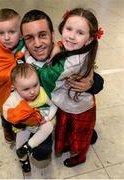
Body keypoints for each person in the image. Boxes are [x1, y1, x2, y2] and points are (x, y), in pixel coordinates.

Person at [38, 8, 103, 167]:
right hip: (73, 102)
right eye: (69, 29)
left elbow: (46, 78)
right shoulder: (82, 49)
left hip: (77, 107)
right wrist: (57, 47)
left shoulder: (71, 63)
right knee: (70, 130)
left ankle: (79, 157)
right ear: (61, 28)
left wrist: (32, 70)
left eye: (80, 33)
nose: (72, 36)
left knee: (78, 134)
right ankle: (72, 144)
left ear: (89, 39)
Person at [3, 63, 57, 172]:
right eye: (26, 89)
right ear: (14, 87)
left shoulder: (42, 93)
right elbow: (6, 111)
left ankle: (29, 146)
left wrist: (47, 118)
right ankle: (24, 160)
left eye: (35, 85)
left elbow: (54, 106)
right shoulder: (14, 98)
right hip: (25, 126)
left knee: (48, 127)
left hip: (41, 122)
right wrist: (15, 120)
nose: (33, 91)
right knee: (19, 145)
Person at [0, 8, 25, 143]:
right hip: (5, 90)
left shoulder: (25, 45)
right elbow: (1, 74)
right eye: (1, 33)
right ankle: (6, 128)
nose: (7, 37)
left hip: (23, 88)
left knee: (21, 108)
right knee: (5, 111)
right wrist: (20, 60)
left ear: (20, 32)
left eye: (12, 32)